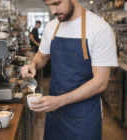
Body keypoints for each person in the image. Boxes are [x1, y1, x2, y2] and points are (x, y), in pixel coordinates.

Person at [21, 0, 118, 140]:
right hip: (54, 113)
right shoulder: (51, 27)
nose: (53, 11)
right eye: (49, 6)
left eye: (57, 3)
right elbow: (41, 56)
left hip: (83, 118)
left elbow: (100, 82)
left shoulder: (99, 29)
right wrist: (32, 65)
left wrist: (59, 101)